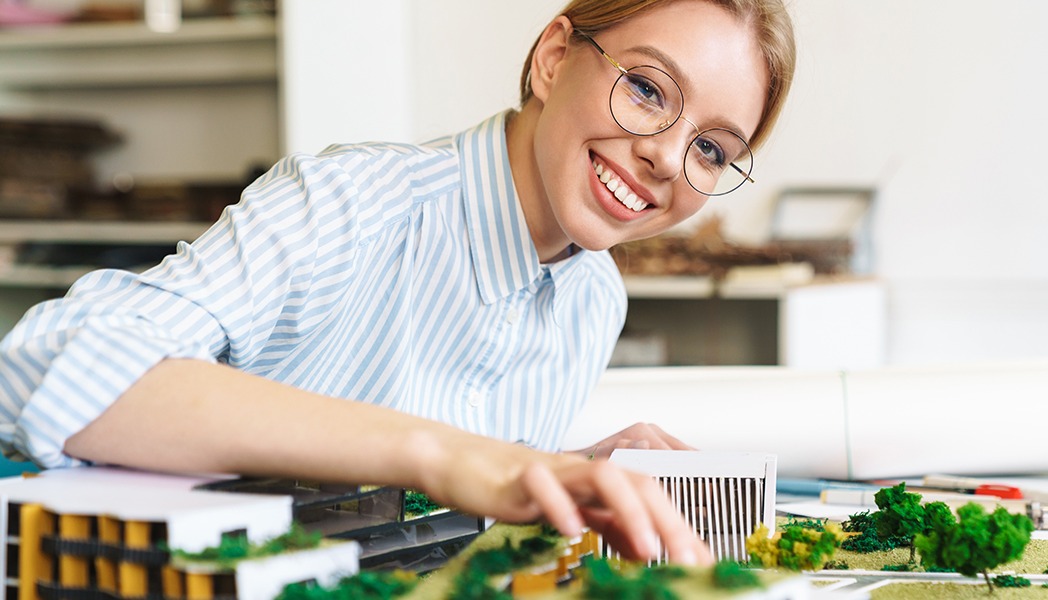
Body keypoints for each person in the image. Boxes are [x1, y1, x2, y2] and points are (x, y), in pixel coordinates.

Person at [0, 0, 794, 565]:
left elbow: (434, 523)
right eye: (649, 89)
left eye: (713, 150)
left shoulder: (595, 299)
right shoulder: (355, 201)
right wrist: (446, 455)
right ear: (554, 59)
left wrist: (563, 469)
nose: (666, 156)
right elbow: (59, 364)